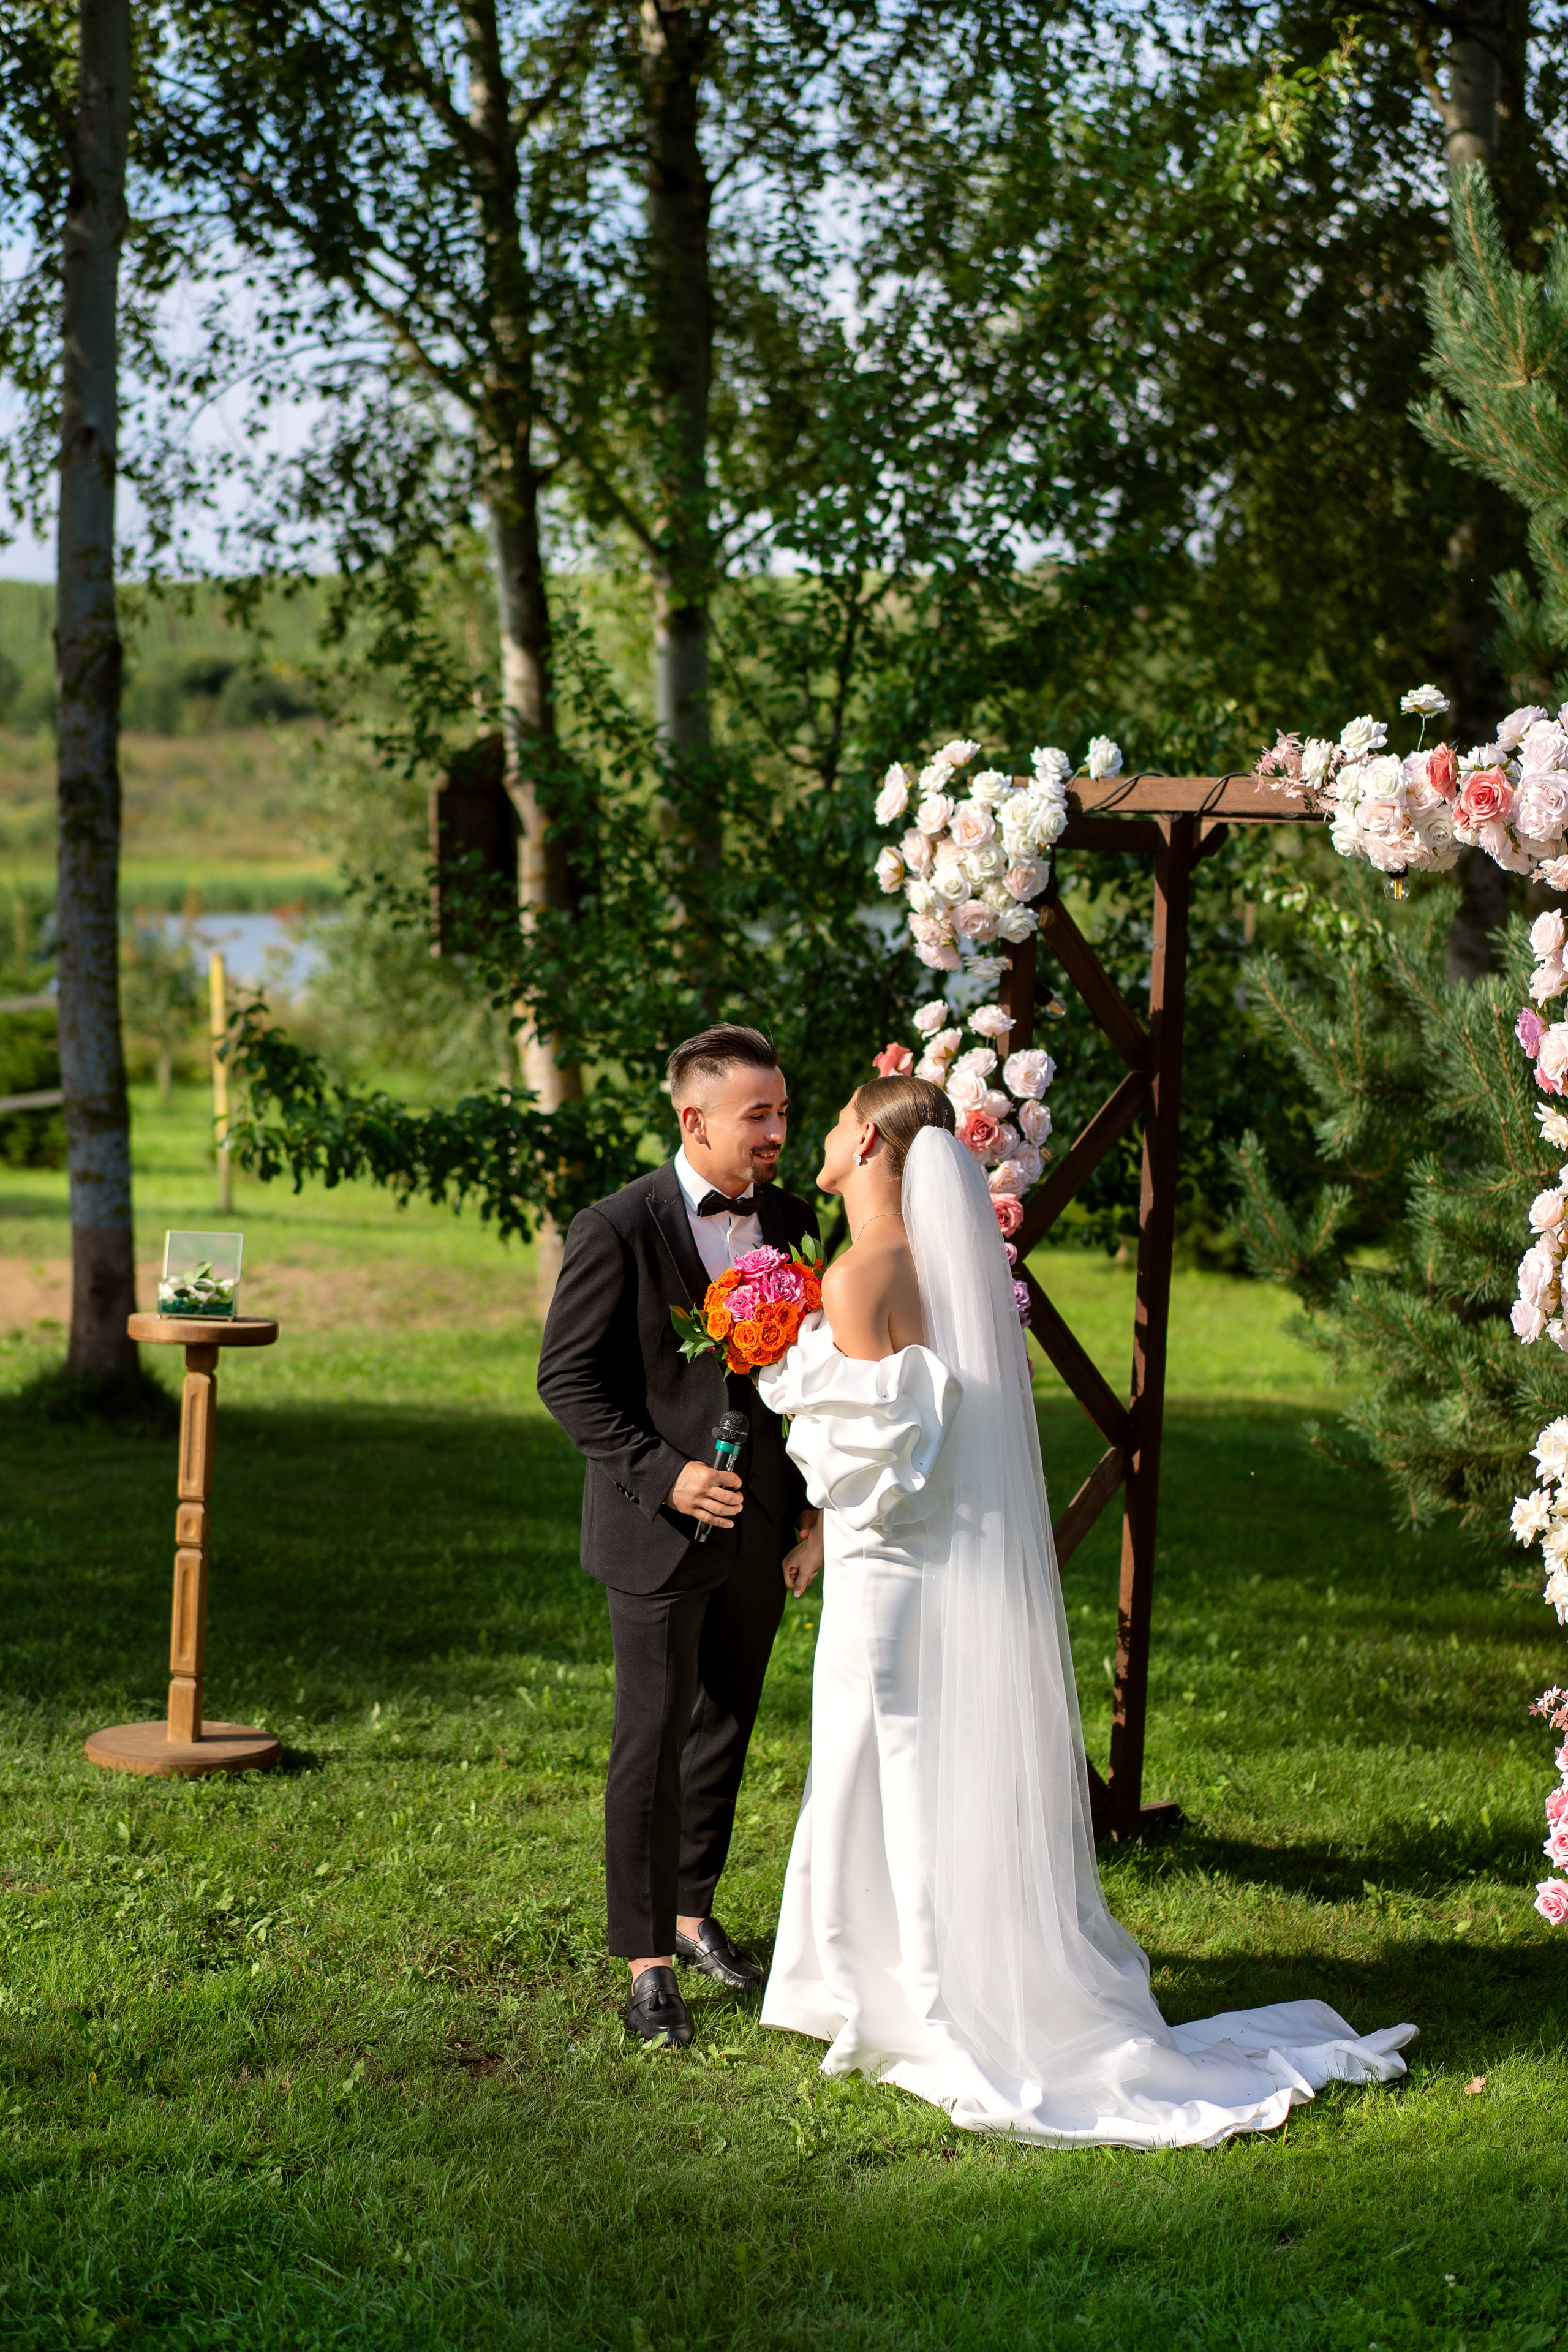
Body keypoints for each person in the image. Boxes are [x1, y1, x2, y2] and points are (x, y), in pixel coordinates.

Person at [756, 1072, 1417, 2147]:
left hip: (888, 1574)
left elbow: (861, 1467)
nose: (822, 1138)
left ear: (872, 1149)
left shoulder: (855, 1276)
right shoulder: (939, 1267)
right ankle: (917, 1980)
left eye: (835, 1122)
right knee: (920, 1765)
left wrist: (786, 1384)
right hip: (934, 1568)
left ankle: (898, 1997)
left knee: (881, 1762)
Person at [537, 1025, 818, 2046]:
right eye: (761, 1115)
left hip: (763, 1529)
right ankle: (647, 1960)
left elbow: (814, 1378)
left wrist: (812, 1513)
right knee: (649, 1742)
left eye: (784, 1112)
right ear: (693, 1119)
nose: (779, 1131)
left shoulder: (790, 1219)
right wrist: (670, 1477)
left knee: (726, 1726)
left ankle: (695, 1916)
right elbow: (567, 1381)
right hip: (655, 1530)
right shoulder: (614, 1227)